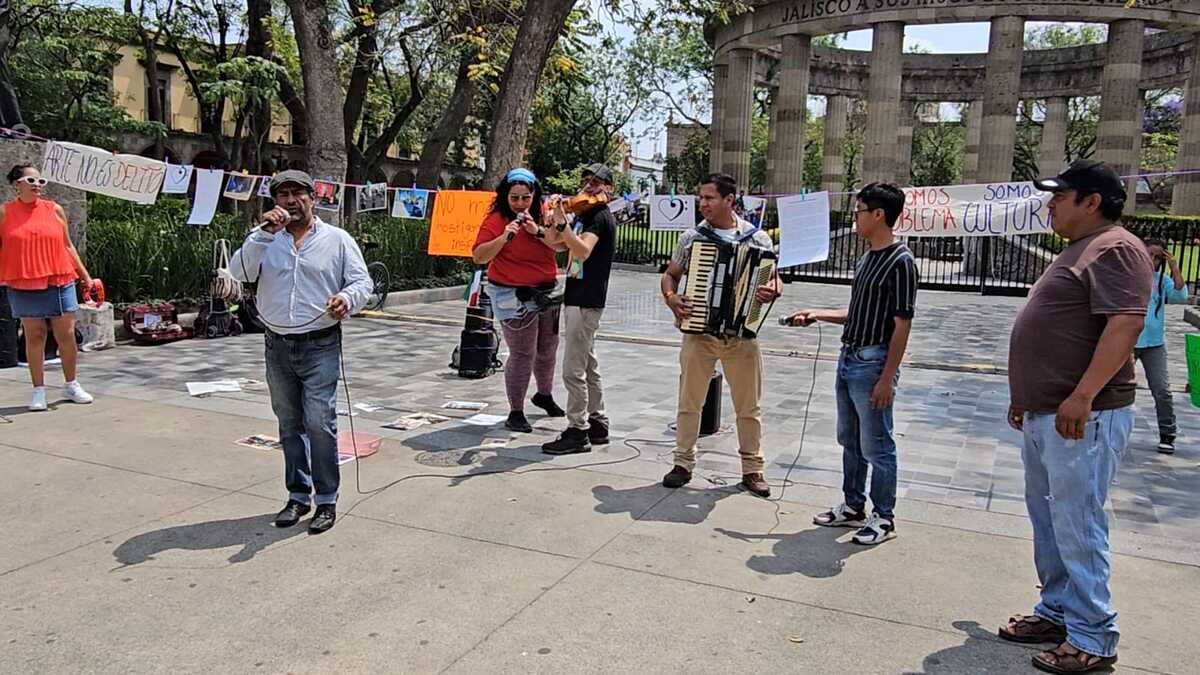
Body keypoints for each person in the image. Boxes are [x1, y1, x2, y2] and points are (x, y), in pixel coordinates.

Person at [999, 159, 1151, 674]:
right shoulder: (1080, 249)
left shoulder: (1117, 248)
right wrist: (1027, 394)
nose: (1050, 204)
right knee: (1051, 520)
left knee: (1078, 520)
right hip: (1048, 413)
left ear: (1092, 201)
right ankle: (1058, 611)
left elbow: (1124, 325)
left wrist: (1083, 395)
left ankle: (1093, 636)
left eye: (1060, 196)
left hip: (1084, 417)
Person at [230, 170, 372, 534]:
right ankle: (297, 495)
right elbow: (239, 273)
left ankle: (327, 500)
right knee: (289, 423)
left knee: (320, 422)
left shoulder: (337, 240)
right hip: (276, 343)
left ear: (313, 197)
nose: (291, 201)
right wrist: (262, 235)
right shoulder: (263, 240)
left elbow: (361, 282)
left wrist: (347, 299)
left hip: (320, 343)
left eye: (298, 194)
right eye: (283, 195)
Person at [787, 182, 917, 546]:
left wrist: (887, 378)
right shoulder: (866, 259)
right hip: (849, 357)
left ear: (879, 215)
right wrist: (817, 314)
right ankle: (853, 504)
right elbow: (858, 313)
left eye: (859, 211)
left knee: (878, 443)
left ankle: (884, 516)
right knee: (850, 438)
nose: (855, 217)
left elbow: (902, 323)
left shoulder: (900, 261)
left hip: (873, 362)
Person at [659, 173, 782, 498]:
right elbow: (670, 276)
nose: (703, 204)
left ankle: (752, 469)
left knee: (748, 406)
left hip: (741, 334)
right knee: (689, 402)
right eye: (701, 198)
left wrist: (772, 290)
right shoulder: (692, 237)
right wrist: (672, 299)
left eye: (709, 198)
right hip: (700, 332)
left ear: (730, 200)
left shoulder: (759, 240)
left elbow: (775, 279)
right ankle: (683, 463)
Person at [472, 168, 566, 433]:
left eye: (526, 198)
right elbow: (479, 256)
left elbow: (560, 245)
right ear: (505, 196)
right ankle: (516, 410)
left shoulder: (545, 213)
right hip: (512, 293)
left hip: (546, 290)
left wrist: (537, 231)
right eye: (515, 198)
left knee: (548, 348)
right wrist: (504, 237)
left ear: (534, 195)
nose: (521, 204)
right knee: (523, 352)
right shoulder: (495, 219)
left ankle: (544, 394)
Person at [0, 164, 94, 411]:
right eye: (31, 180)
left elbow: (67, 245)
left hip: (59, 277)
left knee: (66, 335)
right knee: (35, 335)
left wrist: (85, 277)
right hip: (23, 279)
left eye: (41, 181)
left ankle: (71, 384)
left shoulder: (55, 209)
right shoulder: (5, 212)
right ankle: (38, 391)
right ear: (16, 184)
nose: (37, 185)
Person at [541, 163, 618, 455]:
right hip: (579, 293)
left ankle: (577, 429)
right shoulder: (583, 216)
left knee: (573, 369)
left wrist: (564, 225)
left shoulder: (598, 217)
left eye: (597, 182)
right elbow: (555, 244)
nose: (589, 185)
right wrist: (554, 219)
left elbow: (583, 252)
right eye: (586, 179)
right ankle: (598, 422)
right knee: (588, 363)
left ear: (608, 188)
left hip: (586, 299)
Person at [1135, 237, 1188, 454]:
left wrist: (1174, 267)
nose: (1153, 260)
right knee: (1113, 385)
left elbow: (1180, 295)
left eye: (1158, 257)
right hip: (1127, 339)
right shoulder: (1129, 275)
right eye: (1149, 254)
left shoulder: (1161, 280)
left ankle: (1167, 433)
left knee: (1162, 389)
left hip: (1153, 343)